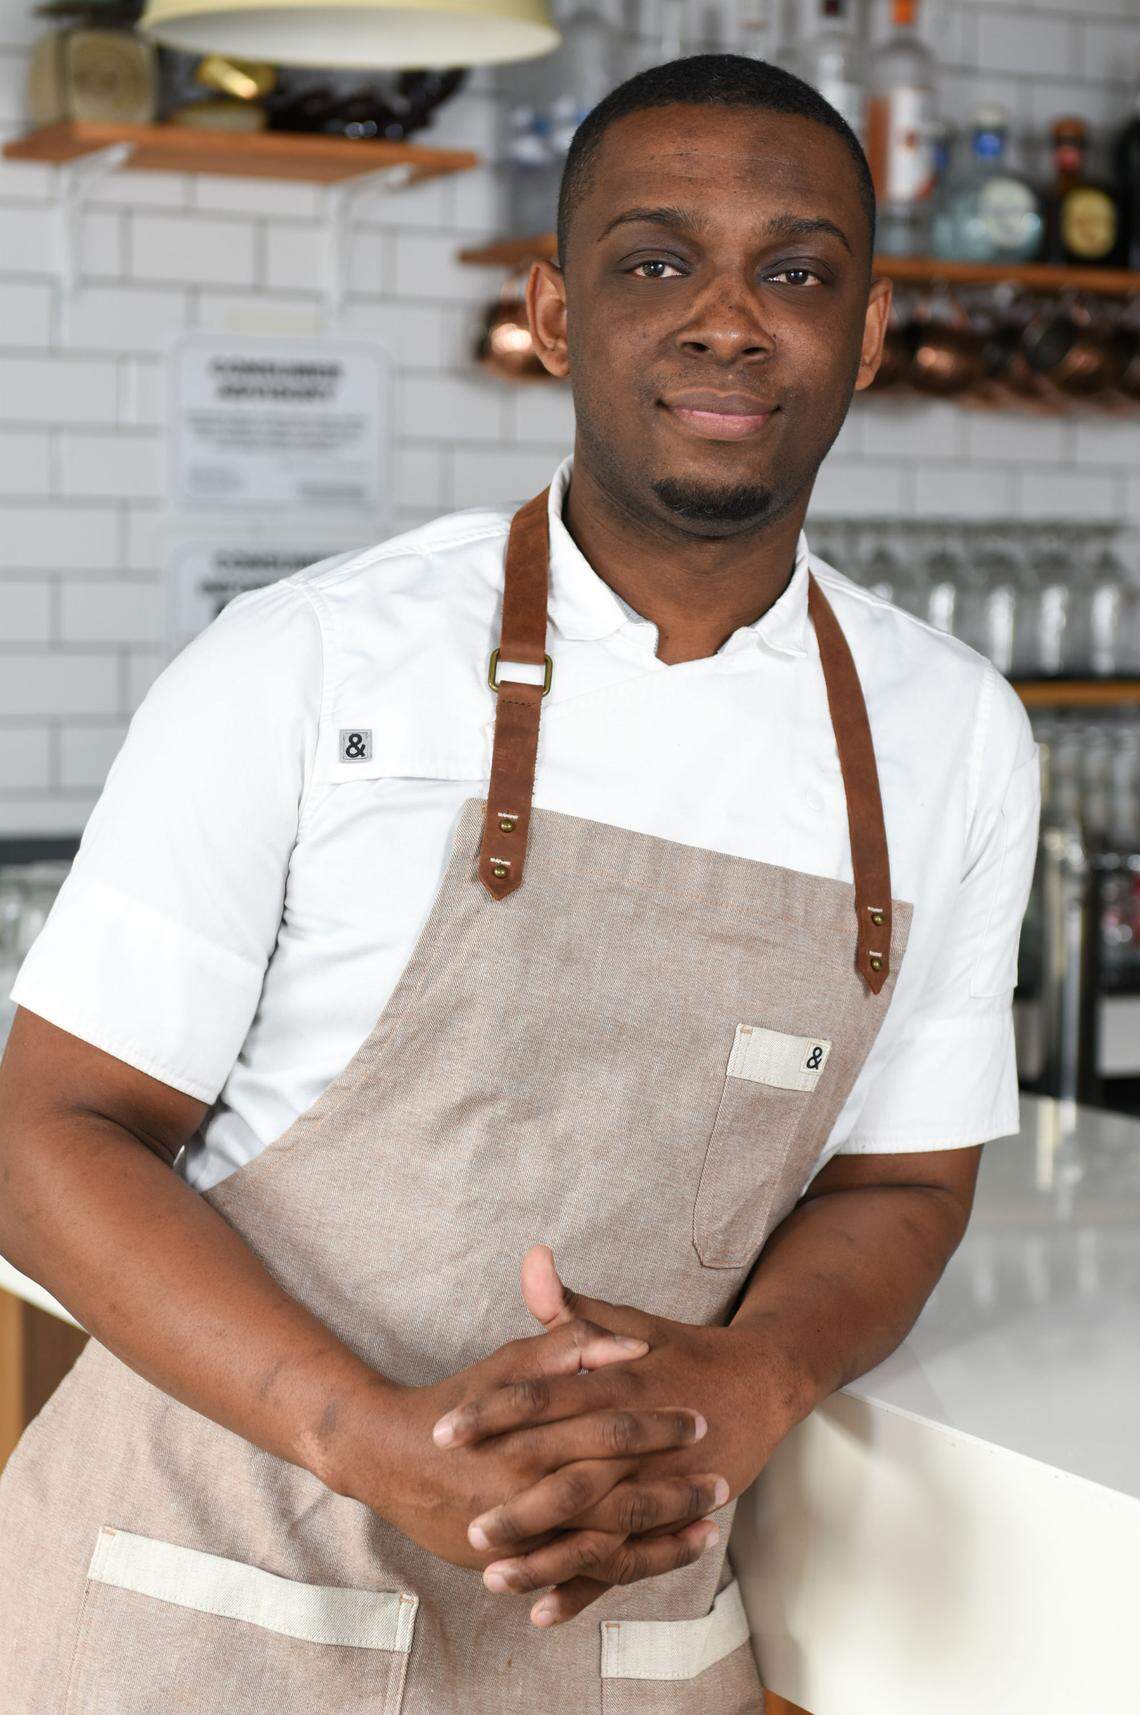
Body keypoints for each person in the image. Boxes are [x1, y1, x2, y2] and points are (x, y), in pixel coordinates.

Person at [0, 52, 1040, 1715]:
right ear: (555, 316)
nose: (729, 319)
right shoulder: (307, 661)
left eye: (795, 270)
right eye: (655, 262)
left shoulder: (954, 737)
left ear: (864, 323)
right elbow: (50, 1135)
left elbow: (904, 1186)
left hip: (625, 1632)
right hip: (206, 1597)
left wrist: (760, 1380)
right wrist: (367, 1436)